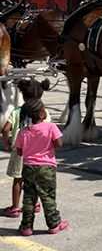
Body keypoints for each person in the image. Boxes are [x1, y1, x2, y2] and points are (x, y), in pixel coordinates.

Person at [14, 98, 66, 235]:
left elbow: (19, 152)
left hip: (29, 167)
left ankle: (26, 227)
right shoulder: (50, 127)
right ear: (42, 115)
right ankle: (54, 224)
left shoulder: (23, 131)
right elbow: (59, 144)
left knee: (29, 198)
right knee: (48, 196)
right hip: (46, 168)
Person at [2, 79, 49, 219]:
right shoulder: (43, 113)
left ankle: (15, 208)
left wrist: (7, 144)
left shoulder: (17, 112)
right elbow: (48, 130)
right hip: (38, 152)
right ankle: (35, 204)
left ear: (23, 96)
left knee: (18, 179)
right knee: (35, 179)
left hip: (20, 150)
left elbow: (5, 129)